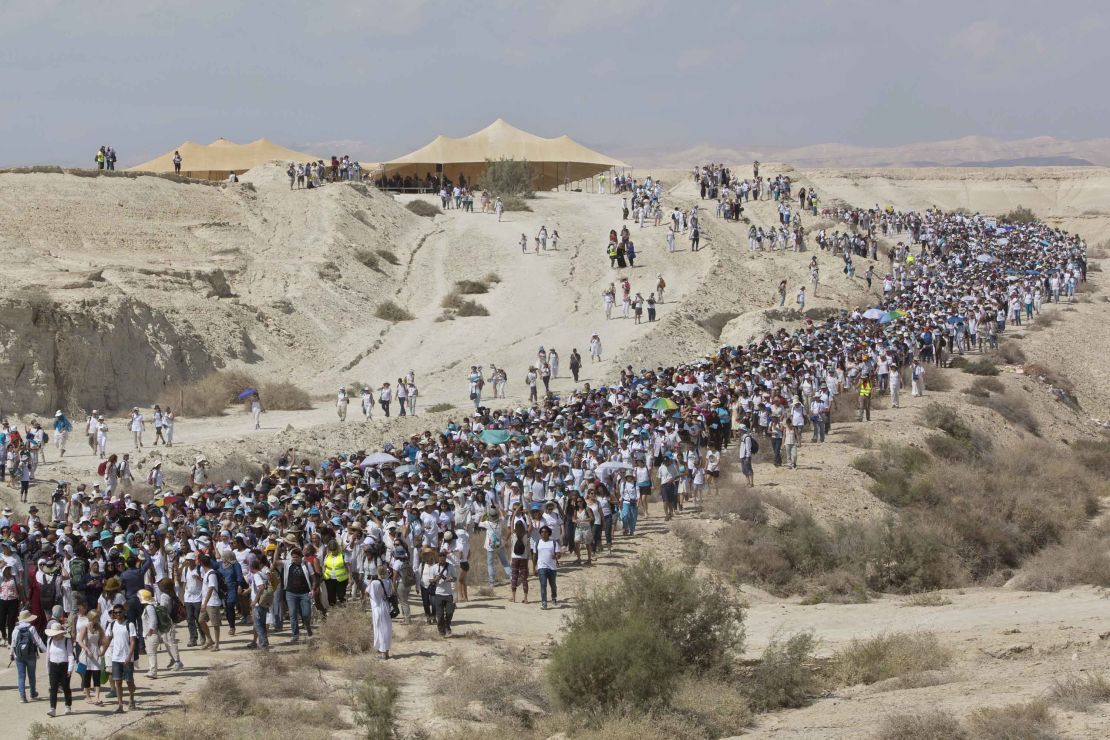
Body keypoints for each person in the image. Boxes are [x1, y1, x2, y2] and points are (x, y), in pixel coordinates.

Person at [105, 604, 137, 713]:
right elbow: (108, 639)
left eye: (119, 612)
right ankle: (120, 704)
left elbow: (133, 641)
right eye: (115, 612)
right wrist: (102, 651)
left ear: (124, 612)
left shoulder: (129, 624)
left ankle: (132, 698)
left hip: (126, 658)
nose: (118, 614)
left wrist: (129, 656)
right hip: (116, 657)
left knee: (129, 681)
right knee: (117, 681)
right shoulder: (112, 624)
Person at [11, 609, 45, 703]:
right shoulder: (31, 628)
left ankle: (22, 696)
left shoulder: (15, 629)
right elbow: (38, 641)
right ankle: (33, 693)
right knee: (31, 675)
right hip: (30, 654)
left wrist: (11, 654)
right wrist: (46, 650)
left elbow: (13, 643)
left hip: (19, 655)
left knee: (21, 676)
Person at [77, 609, 107, 705]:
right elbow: (80, 641)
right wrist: (86, 649)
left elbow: (102, 641)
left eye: (98, 617)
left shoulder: (98, 628)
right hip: (87, 654)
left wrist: (103, 650)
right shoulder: (84, 627)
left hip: (96, 653)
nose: (97, 619)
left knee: (97, 676)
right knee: (87, 676)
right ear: (91, 617)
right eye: (96, 617)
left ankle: (97, 697)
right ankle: (88, 696)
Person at [44, 622, 74, 716]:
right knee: (53, 688)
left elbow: (70, 655)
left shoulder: (66, 641)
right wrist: (48, 669)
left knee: (65, 687)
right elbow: (48, 656)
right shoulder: (49, 641)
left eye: (56, 634)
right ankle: (52, 708)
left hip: (64, 666)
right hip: (53, 666)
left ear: (61, 633)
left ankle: (68, 706)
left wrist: (70, 669)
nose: (54, 636)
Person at [429, 549, 457, 637]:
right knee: (440, 615)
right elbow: (430, 580)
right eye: (440, 558)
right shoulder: (433, 568)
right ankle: (441, 630)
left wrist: (451, 579)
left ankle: (447, 625)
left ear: (445, 558)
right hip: (438, 594)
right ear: (438, 558)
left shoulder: (450, 566)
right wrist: (436, 579)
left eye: (443, 557)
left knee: (450, 612)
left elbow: (455, 578)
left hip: (448, 594)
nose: (442, 559)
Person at [368, 565, 393, 659]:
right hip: (386, 607)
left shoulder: (374, 583)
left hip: (377, 608)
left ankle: (382, 653)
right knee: (386, 629)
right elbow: (390, 593)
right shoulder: (388, 581)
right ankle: (386, 652)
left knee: (379, 630)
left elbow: (368, 593)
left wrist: (370, 582)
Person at [533, 526, 559, 610]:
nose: (543, 533)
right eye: (542, 532)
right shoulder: (537, 542)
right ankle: (544, 602)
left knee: (553, 585)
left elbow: (559, 554)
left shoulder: (554, 542)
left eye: (545, 532)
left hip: (552, 568)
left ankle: (554, 598)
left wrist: (556, 556)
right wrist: (534, 567)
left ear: (549, 533)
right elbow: (534, 555)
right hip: (541, 567)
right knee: (543, 585)